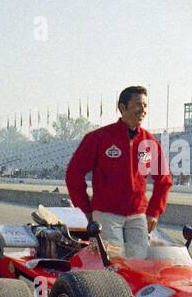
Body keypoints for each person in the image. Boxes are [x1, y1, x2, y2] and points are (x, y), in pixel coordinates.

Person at [65, 85, 172, 259]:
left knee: (139, 264)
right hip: (106, 215)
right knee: (112, 263)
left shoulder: (149, 143)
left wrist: (154, 212)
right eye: (138, 105)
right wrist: (84, 208)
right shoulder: (99, 138)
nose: (143, 110)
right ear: (122, 108)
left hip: (137, 215)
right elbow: (73, 174)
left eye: (145, 106)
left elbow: (164, 180)